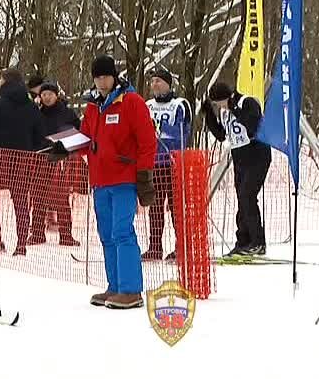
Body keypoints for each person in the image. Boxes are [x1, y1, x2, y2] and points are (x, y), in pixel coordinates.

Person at [75, 54, 156, 309]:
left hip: (124, 179)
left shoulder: (131, 102)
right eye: (97, 77)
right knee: (106, 234)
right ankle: (115, 286)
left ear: (114, 76)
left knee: (122, 232)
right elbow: (85, 139)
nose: (101, 82)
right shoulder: (92, 106)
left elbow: (147, 141)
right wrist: (65, 148)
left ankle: (131, 290)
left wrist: (144, 175)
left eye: (105, 76)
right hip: (100, 181)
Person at [0, 68, 45, 256]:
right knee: (21, 201)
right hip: (21, 158)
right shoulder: (30, 106)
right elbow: (39, 133)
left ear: (4, 82)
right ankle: (21, 244)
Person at [202, 82, 271, 256]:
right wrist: (209, 115)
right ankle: (243, 241)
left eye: (219, 103)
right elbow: (221, 135)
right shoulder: (226, 112)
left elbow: (252, 125)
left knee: (248, 196)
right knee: (242, 199)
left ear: (228, 97)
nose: (219, 107)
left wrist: (234, 108)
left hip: (257, 155)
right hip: (240, 159)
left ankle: (258, 242)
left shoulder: (247, 102)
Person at [143, 68, 193, 260]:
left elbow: (183, 133)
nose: (155, 84)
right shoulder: (147, 105)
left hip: (173, 162)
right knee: (154, 208)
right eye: (153, 81)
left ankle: (182, 247)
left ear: (168, 84)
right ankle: (155, 247)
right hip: (153, 163)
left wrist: (162, 128)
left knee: (176, 207)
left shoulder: (179, 105)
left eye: (158, 81)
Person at [30, 81, 81, 247]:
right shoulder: (36, 113)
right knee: (38, 197)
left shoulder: (67, 113)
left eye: (49, 94)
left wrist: (66, 147)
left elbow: (78, 132)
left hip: (60, 159)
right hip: (40, 158)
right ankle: (37, 233)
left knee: (61, 198)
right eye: (43, 94)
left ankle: (66, 235)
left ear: (56, 95)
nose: (46, 97)